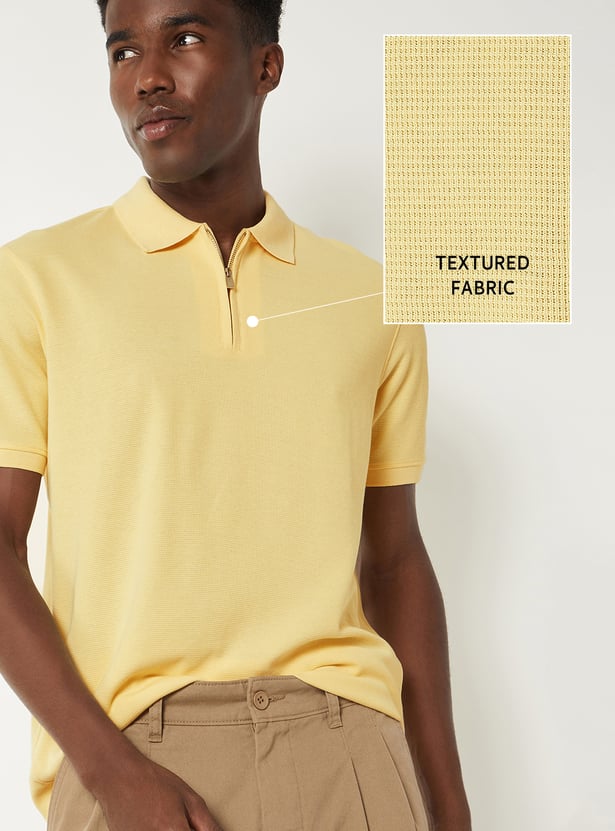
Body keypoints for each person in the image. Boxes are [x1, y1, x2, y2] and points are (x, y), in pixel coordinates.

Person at [0, 0, 472, 829]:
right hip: (133, 758)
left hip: (347, 756)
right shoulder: (37, 281)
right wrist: (113, 773)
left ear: (265, 66)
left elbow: (395, 560)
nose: (147, 77)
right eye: (122, 51)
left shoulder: (371, 298)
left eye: (183, 38)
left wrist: (450, 810)